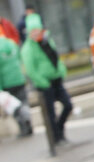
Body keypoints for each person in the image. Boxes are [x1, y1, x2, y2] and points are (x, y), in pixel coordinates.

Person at [20, 14, 72, 144]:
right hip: (45, 84)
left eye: (37, 29)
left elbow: (56, 57)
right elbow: (30, 69)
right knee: (50, 114)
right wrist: (43, 82)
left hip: (56, 80)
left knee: (68, 105)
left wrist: (61, 71)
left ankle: (60, 130)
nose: (36, 33)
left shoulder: (47, 40)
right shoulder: (28, 48)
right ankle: (56, 138)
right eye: (33, 30)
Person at [0, 30, 33, 137]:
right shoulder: (12, 43)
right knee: (23, 102)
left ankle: (23, 128)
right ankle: (28, 121)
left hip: (7, 82)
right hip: (19, 79)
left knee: (13, 106)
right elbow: (20, 59)